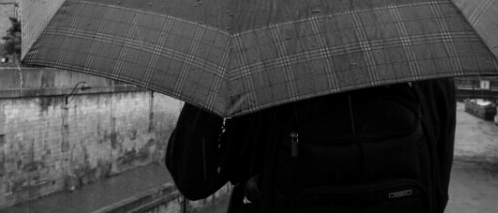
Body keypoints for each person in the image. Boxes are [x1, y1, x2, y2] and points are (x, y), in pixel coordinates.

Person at [165, 78, 456, 213]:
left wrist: (214, 69)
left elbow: (194, 178)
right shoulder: (427, 68)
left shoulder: (265, 63)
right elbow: (437, 193)